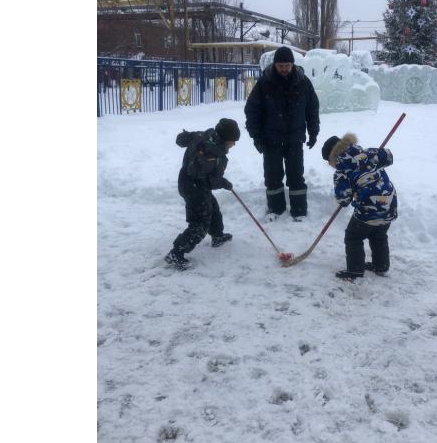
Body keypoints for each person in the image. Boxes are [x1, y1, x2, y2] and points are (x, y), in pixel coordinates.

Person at [244, 46, 320, 219]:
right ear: (275, 65)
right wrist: (255, 135)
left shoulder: (303, 82)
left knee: (296, 175)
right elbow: (252, 110)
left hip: (295, 138)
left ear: (292, 64)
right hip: (271, 139)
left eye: (287, 65)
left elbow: (312, 109)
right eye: (280, 65)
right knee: (273, 176)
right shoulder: (265, 83)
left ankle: (299, 211)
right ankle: (275, 209)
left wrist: (313, 131)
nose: (284, 69)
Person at [164, 118, 240, 271]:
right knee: (200, 222)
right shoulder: (217, 155)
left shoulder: (203, 136)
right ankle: (177, 252)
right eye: (233, 141)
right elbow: (212, 182)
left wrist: (190, 137)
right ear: (226, 139)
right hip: (195, 188)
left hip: (187, 181)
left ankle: (217, 236)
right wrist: (224, 183)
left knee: (213, 207)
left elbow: (180, 140)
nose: (234, 144)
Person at [322, 133, 398, 281]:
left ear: (332, 157)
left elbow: (343, 199)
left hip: (369, 208)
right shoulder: (367, 153)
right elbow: (388, 156)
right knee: (378, 234)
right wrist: (375, 154)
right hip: (389, 202)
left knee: (353, 236)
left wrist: (347, 194)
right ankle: (381, 266)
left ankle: (355, 271)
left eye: (328, 161)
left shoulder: (341, 171)